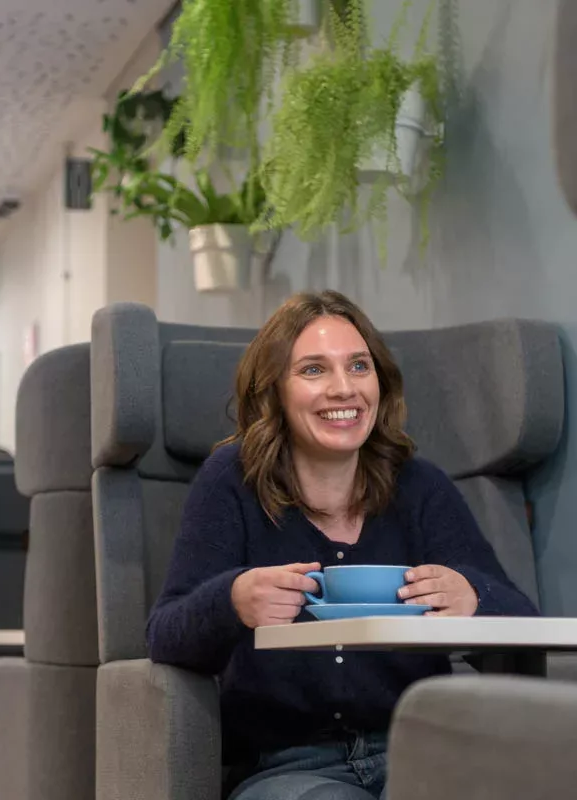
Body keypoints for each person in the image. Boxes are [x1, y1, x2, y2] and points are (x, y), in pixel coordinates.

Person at [146, 291, 538, 800]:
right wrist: (233, 600)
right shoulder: (231, 481)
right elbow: (164, 635)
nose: (343, 389)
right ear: (275, 392)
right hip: (286, 768)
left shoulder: (419, 485)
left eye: (358, 366)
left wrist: (474, 599)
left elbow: (522, 622)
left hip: (420, 753)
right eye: (313, 370)